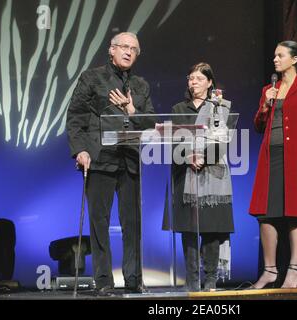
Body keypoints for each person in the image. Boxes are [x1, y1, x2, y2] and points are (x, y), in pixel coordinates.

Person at [66, 32, 155, 295]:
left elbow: (150, 122)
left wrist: (131, 109)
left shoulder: (140, 86)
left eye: (134, 49)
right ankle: (103, 280)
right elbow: (76, 117)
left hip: (129, 159)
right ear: (111, 50)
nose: (129, 52)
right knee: (99, 222)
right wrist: (80, 150)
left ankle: (134, 278)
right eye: (124, 47)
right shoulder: (92, 78)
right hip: (99, 158)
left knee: (132, 223)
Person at [249, 41, 297, 289]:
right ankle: (270, 270)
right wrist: (265, 105)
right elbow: (259, 126)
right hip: (271, 158)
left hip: (296, 158)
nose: (275, 59)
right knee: (265, 213)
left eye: (280, 55)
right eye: (274, 56)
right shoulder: (269, 90)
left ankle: (294, 270)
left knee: (295, 213)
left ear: (294, 59)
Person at [164, 62, 234, 291]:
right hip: (186, 174)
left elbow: (224, 138)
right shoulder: (178, 109)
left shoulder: (218, 107)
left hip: (213, 174)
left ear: (210, 82)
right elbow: (173, 140)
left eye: (199, 78)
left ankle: (211, 279)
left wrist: (206, 156)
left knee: (212, 228)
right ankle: (192, 281)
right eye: (191, 78)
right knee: (189, 229)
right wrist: (189, 157)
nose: (193, 82)